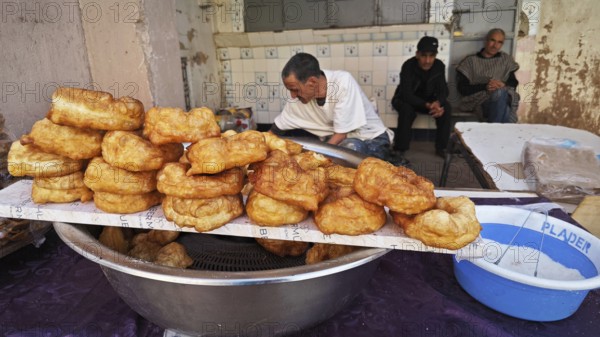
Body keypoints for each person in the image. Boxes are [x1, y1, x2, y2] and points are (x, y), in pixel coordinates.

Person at [270, 52, 407, 165]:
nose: (292, 96)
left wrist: (316, 160)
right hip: (338, 142)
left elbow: (341, 135)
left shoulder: (342, 82)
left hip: (370, 138)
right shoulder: (299, 97)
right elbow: (278, 127)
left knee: (350, 150)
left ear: (312, 82)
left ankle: (390, 160)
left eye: (295, 90)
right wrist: (261, 143)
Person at [391, 36, 452, 158]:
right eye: (424, 56)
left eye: (432, 56)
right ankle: (400, 148)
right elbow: (406, 95)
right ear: (417, 54)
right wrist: (428, 105)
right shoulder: (408, 66)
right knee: (406, 110)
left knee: (447, 108)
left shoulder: (439, 66)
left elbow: (443, 90)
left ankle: (442, 148)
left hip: (428, 102)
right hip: (406, 100)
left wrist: (438, 103)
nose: (428, 60)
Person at [456, 28, 520, 123]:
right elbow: (462, 89)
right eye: (492, 40)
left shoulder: (506, 60)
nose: (495, 46)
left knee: (501, 94)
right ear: (486, 40)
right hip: (480, 102)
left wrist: (502, 84)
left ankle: (493, 133)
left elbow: (513, 83)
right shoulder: (470, 62)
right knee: (505, 109)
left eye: (499, 42)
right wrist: (486, 86)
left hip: (503, 98)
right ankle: (499, 134)